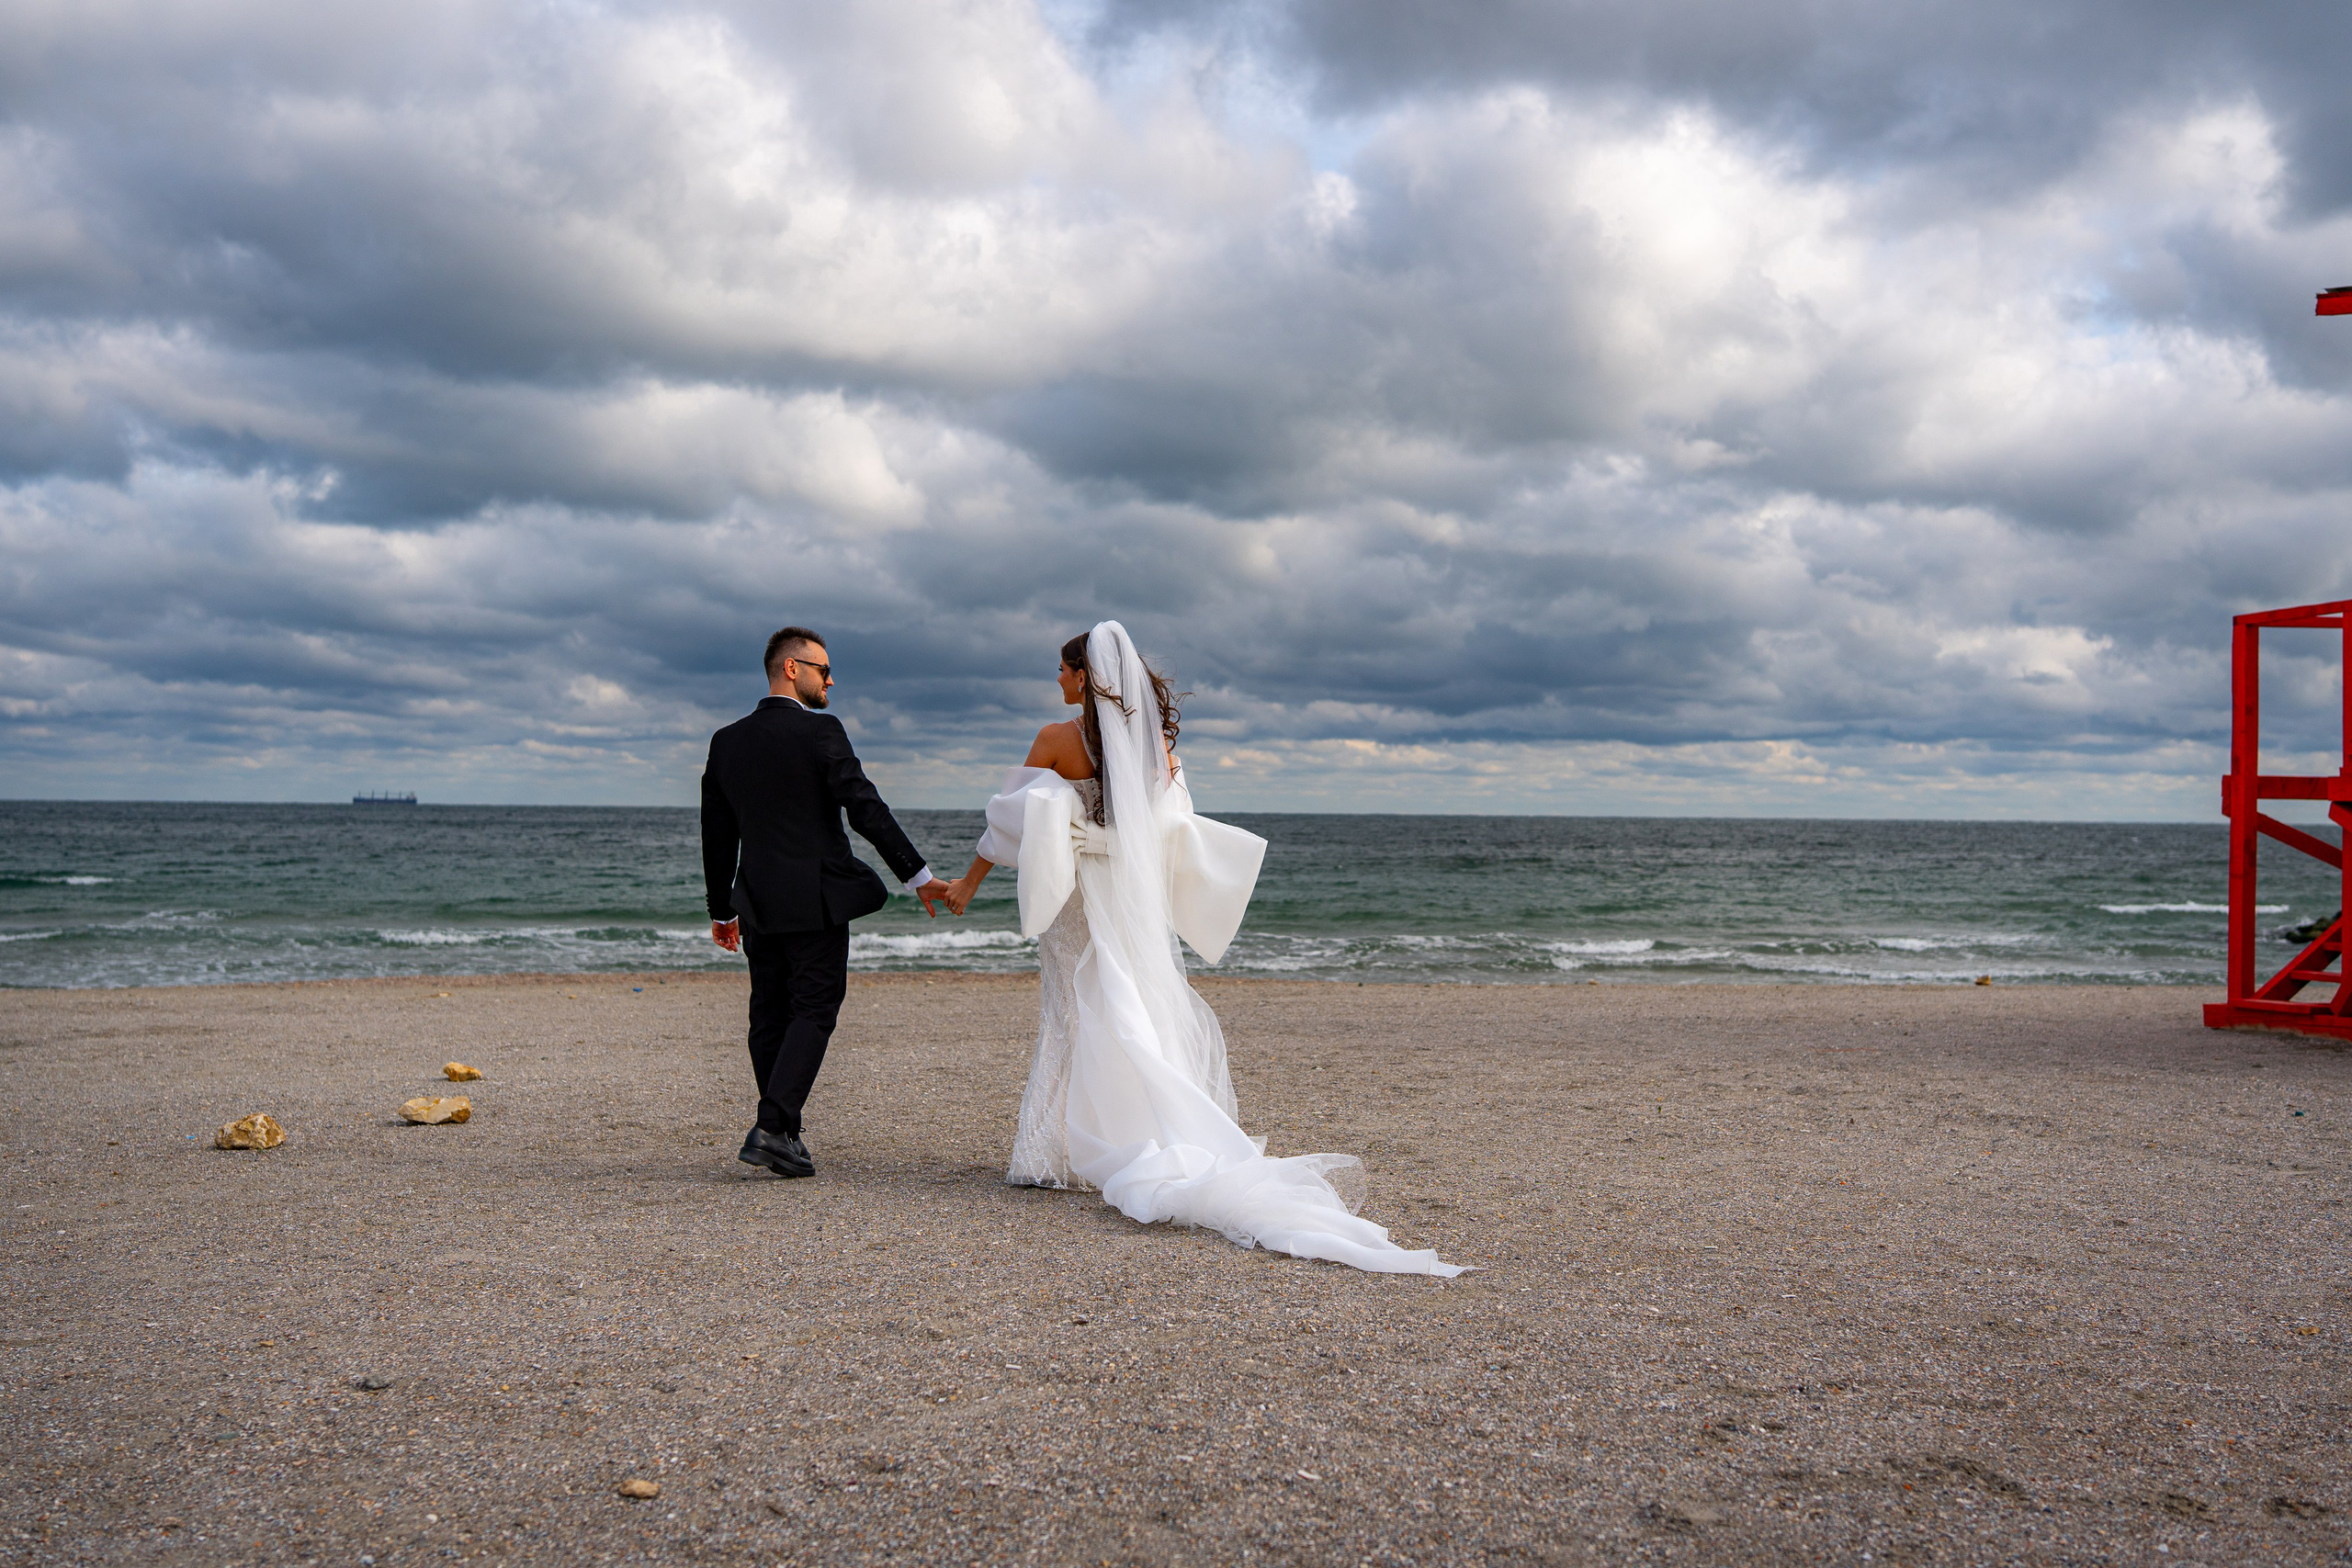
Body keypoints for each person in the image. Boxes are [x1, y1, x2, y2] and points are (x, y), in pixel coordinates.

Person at [940, 622, 1462, 1276]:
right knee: (1126, 1007)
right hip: (1123, 895)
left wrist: (966, 883)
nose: (1057, 680)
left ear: (1086, 676)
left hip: (1073, 899)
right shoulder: (1154, 748)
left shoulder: (1054, 739)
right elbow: (1167, 829)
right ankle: (1122, 1134)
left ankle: (1050, 1155)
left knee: (1068, 1010)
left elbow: (1006, 822)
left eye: (1063, 670)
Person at [702, 626, 951, 1178]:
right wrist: (918, 874)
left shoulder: (727, 741)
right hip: (815, 899)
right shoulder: (821, 732)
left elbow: (716, 835)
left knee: (769, 1014)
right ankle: (772, 1127)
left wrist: (722, 909)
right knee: (814, 1009)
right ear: (792, 669)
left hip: (758, 901)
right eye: (823, 669)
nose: (830, 680)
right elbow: (864, 805)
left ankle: (783, 1132)